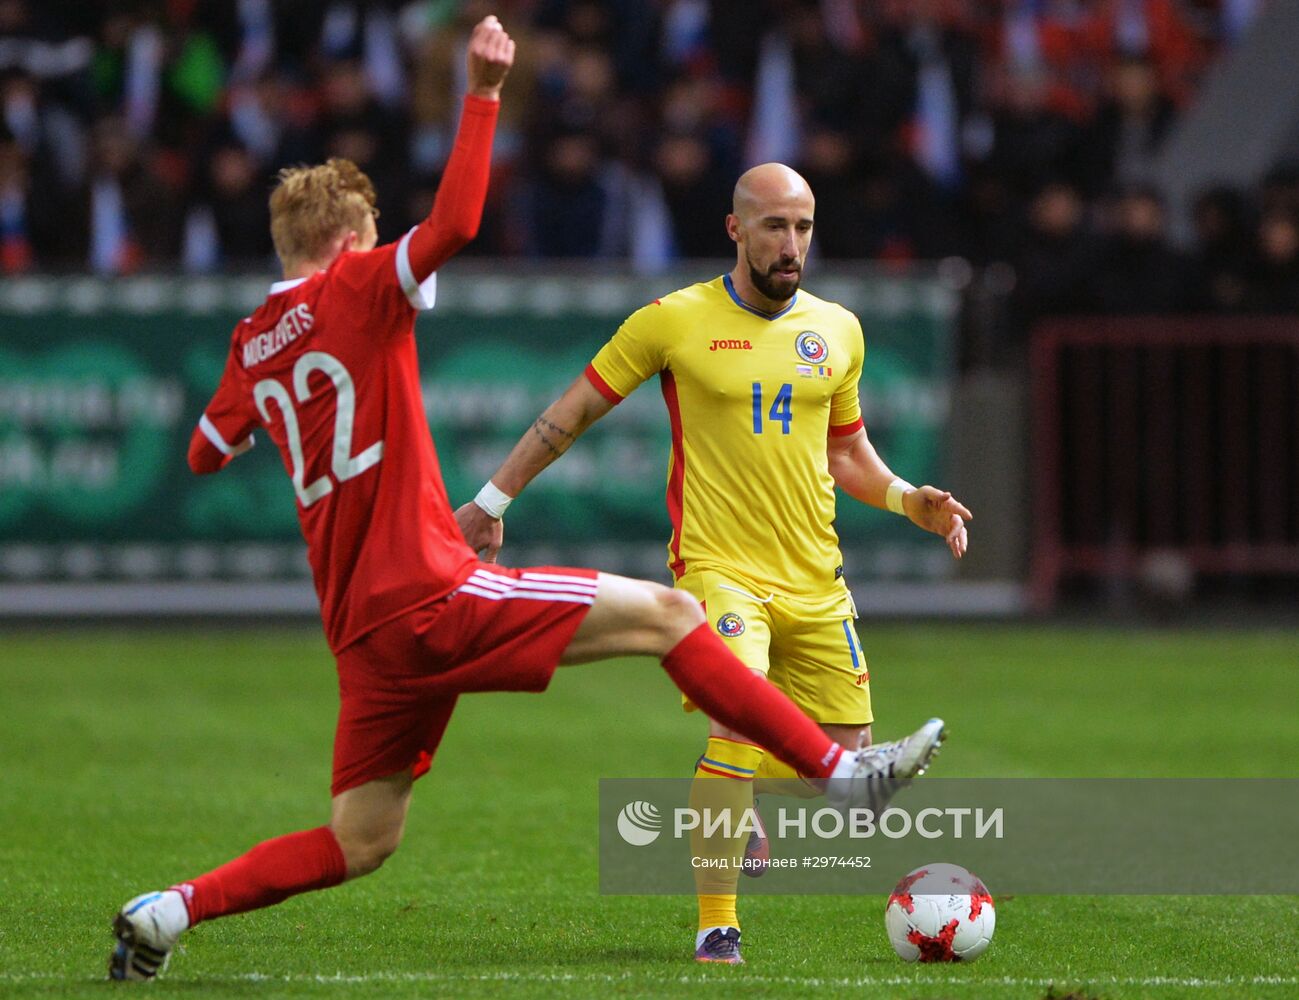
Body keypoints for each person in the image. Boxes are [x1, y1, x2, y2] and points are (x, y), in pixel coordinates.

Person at [107, 18, 942, 982]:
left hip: (359, 631)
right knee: (671, 614)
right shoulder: (359, 285)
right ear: (347, 241)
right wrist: (483, 95)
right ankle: (844, 778)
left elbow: (207, 452)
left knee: (361, 839)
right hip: (429, 591)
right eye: (373, 241)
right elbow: (457, 224)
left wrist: (263, 406)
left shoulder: (252, 339)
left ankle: (167, 912)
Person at [456, 161, 969, 964]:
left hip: (814, 576)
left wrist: (909, 500)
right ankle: (715, 925)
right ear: (735, 229)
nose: (790, 243)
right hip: (718, 567)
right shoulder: (671, 320)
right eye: (773, 226)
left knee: (839, 759)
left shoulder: (838, 329)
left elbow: (849, 453)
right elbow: (575, 410)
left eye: (801, 226)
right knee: (736, 724)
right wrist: (491, 502)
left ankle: (738, 794)